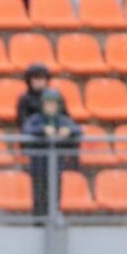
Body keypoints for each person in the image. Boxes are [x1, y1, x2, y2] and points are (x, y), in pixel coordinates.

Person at [23, 88, 81, 217]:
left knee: (54, 195)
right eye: (48, 104)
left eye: (53, 104)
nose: (51, 107)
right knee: (39, 196)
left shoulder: (63, 120)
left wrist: (69, 131)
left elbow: (78, 129)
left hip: (56, 166)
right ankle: (39, 222)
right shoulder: (36, 119)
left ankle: (53, 219)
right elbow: (27, 129)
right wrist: (43, 130)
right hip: (39, 166)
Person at [16, 62, 51, 131]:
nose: (39, 82)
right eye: (35, 78)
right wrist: (41, 129)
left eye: (42, 78)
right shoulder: (24, 99)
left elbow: (64, 119)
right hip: (32, 133)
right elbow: (22, 123)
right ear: (29, 80)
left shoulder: (53, 97)